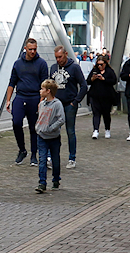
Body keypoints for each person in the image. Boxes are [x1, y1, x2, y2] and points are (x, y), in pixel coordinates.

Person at [5, 38, 48, 166]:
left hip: (35, 97)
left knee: (34, 127)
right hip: (20, 96)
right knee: (16, 122)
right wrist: (8, 100)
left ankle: (34, 154)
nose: (33, 51)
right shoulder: (18, 64)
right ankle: (22, 150)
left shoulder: (42, 63)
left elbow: (44, 84)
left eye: (35, 49)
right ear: (25, 49)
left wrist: (41, 101)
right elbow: (12, 82)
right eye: (30, 49)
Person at [50, 45, 87, 169]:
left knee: (70, 131)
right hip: (56, 105)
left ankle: (72, 158)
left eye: (60, 57)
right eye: (56, 57)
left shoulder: (74, 67)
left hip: (69, 104)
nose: (58, 60)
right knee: (53, 131)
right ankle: (51, 157)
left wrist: (76, 101)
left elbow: (84, 85)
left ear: (66, 54)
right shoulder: (53, 68)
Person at [35, 79, 65, 193]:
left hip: (53, 137)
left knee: (55, 159)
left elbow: (61, 119)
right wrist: (38, 127)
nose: (40, 91)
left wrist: (51, 128)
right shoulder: (42, 104)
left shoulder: (57, 104)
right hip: (41, 136)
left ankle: (56, 179)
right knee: (42, 159)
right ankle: (42, 182)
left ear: (48, 91)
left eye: (42, 89)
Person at [86, 56, 118, 139]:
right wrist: (93, 79)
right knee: (96, 113)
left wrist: (104, 79)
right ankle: (95, 130)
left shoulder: (109, 71)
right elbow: (88, 81)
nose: (99, 66)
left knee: (106, 114)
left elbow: (114, 81)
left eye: (101, 64)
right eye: (98, 64)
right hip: (95, 95)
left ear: (105, 64)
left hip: (107, 97)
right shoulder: (94, 70)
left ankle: (107, 129)